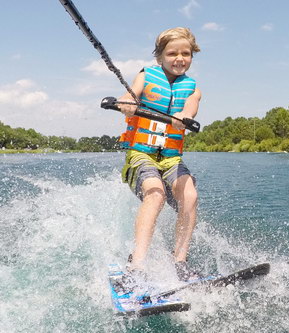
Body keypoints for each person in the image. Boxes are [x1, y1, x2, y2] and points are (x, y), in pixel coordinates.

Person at [117, 27, 201, 284]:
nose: (179, 58)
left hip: (171, 158)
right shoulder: (146, 75)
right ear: (159, 56)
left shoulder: (193, 88)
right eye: (172, 53)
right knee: (155, 193)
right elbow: (127, 98)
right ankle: (138, 265)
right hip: (141, 154)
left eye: (185, 53)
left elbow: (190, 107)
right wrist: (127, 105)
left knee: (190, 195)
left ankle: (180, 261)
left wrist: (184, 119)